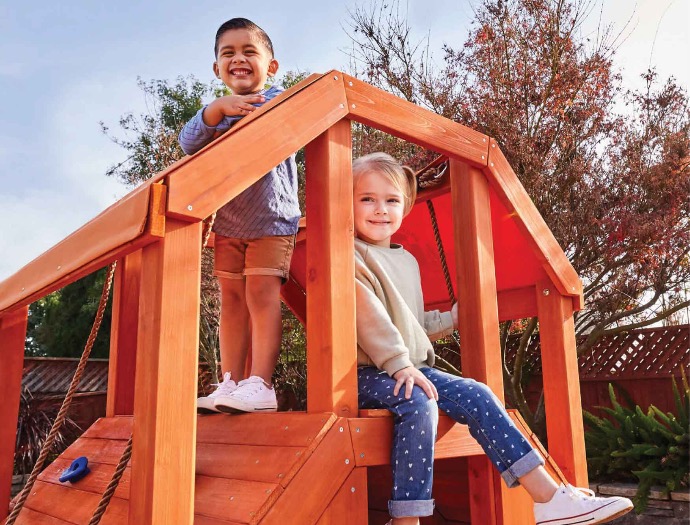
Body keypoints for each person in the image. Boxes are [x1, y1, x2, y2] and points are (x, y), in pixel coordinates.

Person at [351, 152, 633, 525]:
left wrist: (449, 320)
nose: (380, 209)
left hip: (410, 368)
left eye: (391, 200)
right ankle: (406, 520)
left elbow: (410, 324)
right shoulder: (349, 255)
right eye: (367, 199)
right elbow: (368, 318)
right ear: (347, 204)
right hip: (368, 373)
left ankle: (549, 499)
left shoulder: (407, 261)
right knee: (420, 404)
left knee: (479, 393)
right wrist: (398, 363)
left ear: (405, 205)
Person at [179, 18, 300, 413]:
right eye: (228, 53)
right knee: (231, 301)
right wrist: (215, 109)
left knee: (261, 295)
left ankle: (260, 383)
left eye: (250, 51)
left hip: (271, 220)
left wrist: (232, 116)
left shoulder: (277, 100)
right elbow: (187, 142)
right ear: (217, 69)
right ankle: (229, 382)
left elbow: (285, 124)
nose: (238, 59)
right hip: (229, 224)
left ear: (271, 66)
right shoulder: (218, 112)